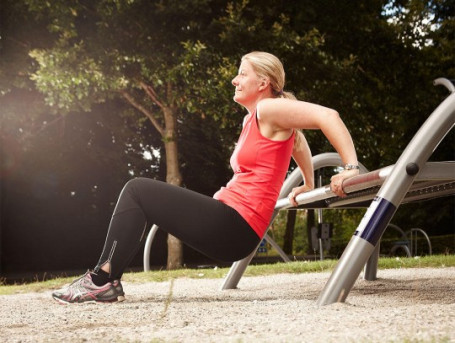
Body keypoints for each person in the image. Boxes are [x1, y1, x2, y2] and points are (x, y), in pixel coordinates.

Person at [52, 51, 359, 304]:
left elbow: (327, 116)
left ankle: (101, 278)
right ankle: (106, 280)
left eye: (242, 74)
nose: (234, 80)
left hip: (234, 226)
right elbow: (299, 143)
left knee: (136, 190)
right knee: (140, 196)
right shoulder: (260, 117)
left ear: (263, 81)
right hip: (230, 224)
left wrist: (350, 168)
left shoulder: (267, 109)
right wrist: (307, 181)